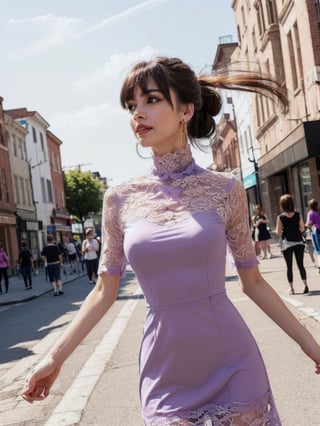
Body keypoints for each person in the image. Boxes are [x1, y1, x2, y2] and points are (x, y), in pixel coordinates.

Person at [22, 57, 320, 425]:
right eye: (132, 106)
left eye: (150, 100)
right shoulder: (119, 198)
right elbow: (103, 291)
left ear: (185, 110)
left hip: (232, 361)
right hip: (164, 371)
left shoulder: (225, 190)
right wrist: (55, 357)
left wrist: (311, 346)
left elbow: (254, 282)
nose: (137, 114)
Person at [276, 194, 309, 295]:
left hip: (287, 243)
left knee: (289, 266)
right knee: (301, 265)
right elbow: (302, 228)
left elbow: (278, 232)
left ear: (283, 205)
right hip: (299, 242)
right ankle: (305, 285)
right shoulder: (298, 215)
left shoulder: (280, 217)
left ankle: (291, 288)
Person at [305, 198, 320, 272]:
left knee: (318, 249)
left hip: (316, 232)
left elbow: (309, 223)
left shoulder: (310, 213)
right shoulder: (318, 212)